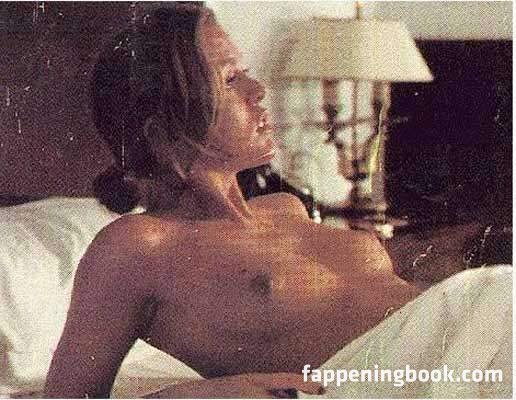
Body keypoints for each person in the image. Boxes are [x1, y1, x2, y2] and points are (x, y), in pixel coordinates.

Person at [44, 5, 511, 399]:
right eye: (230, 79)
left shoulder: (285, 206)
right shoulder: (134, 245)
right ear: (163, 133)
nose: (258, 91)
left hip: (461, 345)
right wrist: (196, 394)